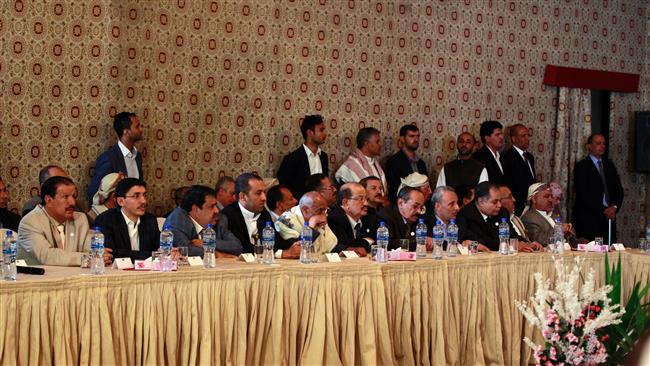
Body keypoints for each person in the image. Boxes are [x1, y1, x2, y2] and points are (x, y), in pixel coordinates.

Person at [17, 176, 111, 266]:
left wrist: (99, 255)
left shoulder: (80, 219)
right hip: (37, 280)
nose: (72, 202)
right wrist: (89, 258)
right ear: (48, 200)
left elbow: (91, 250)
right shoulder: (30, 222)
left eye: (74, 196)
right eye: (65, 197)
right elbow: (47, 256)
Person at [221, 173, 299, 257]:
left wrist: (294, 244)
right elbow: (242, 248)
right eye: (258, 193)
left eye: (264, 192)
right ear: (242, 196)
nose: (264, 198)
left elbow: (277, 242)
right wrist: (281, 254)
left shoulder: (263, 213)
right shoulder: (228, 215)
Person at [572, 133, 624, 241]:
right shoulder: (581, 166)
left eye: (604, 143)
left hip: (608, 220)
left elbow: (619, 191)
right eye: (598, 143)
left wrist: (614, 208)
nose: (602, 146)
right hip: (589, 221)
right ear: (589, 146)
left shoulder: (609, 165)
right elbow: (583, 195)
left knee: (609, 255)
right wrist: (605, 210)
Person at [164, 185, 241, 257]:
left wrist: (205, 242)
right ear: (196, 210)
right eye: (212, 206)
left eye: (216, 206)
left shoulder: (219, 219)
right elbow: (186, 250)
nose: (217, 210)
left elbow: (236, 246)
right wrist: (217, 254)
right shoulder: (176, 222)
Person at [94, 178, 160, 261]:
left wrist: (170, 251)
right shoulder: (105, 220)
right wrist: (152, 255)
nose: (143, 201)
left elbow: (161, 247)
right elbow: (111, 253)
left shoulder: (150, 220)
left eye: (145, 195)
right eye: (136, 196)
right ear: (121, 201)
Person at [87, 111, 144, 203]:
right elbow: (93, 192)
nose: (141, 129)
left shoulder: (137, 156)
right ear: (126, 131)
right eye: (137, 126)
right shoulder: (109, 158)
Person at [277, 115, 329, 199]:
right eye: (321, 130)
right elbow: (282, 187)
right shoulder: (292, 159)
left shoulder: (323, 157)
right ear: (310, 133)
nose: (325, 134)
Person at [327, 183, 379, 255]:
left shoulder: (369, 215)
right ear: (346, 203)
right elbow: (344, 245)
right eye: (360, 199)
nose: (366, 204)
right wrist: (367, 241)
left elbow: (379, 243)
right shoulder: (335, 219)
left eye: (366, 199)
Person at [456, 182, 509, 251]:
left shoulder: (502, 212)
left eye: (500, 201)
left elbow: (512, 234)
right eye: (495, 202)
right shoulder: (466, 214)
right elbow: (483, 242)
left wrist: (523, 243)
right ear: (481, 202)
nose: (499, 205)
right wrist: (509, 245)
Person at [385, 124, 428, 201]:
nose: (416, 139)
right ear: (402, 139)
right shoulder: (393, 162)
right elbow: (396, 188)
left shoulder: (421, 163)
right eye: (411, 136)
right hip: (402, 204)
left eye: (417, 136)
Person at [501, 124, 536, 215]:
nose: (527, 138)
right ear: (513, 139)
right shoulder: (507, 157)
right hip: (518, 206)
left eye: (528, 135)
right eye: (523, 136)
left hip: (531, 205)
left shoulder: (529, 157)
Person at [498, 184, 542, 252]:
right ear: (499, 201)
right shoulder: (497, 219)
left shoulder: (516, 218)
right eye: (510, 197)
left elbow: (515, 237)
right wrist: (514, 245)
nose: (514, 200)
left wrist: (529, 244)